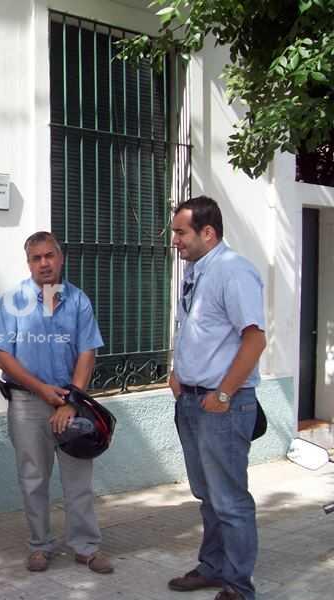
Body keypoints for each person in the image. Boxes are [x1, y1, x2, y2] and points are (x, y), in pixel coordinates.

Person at [0, 231, 113, 575]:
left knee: (78, 480)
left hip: (71, 403)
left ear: (60, 258)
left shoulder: (78, 301)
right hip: (27, 403)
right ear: (28, 263)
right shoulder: (13, 302)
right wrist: (40, 389)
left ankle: (86, 547)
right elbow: (0, 354)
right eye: (36, 258)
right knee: (33, 478)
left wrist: (72, 402)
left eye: (49, 256)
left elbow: (87, 353)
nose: (44, 263)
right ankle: (40, 545)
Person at [168, 196, 266, 600]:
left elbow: (255, 339)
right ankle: (213, 567)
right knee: (208, 496)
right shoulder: (196, 272)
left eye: (181, 232)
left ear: (207, 232)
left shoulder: (233, 271)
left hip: (221, 405)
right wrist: (178, 373)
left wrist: (224, 393)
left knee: (230, 501)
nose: (175, 240)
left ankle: (238, 586)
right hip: (192, 402)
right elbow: (198, 332)